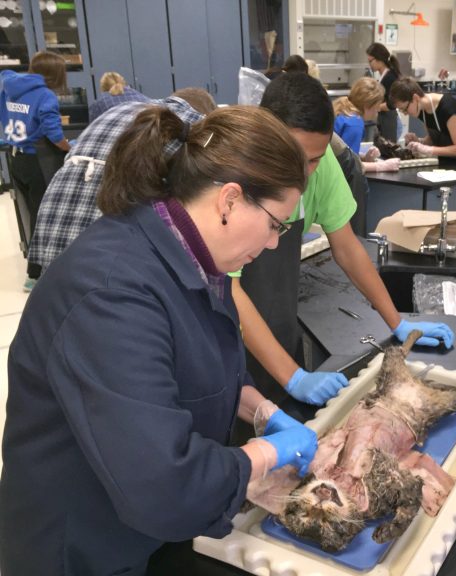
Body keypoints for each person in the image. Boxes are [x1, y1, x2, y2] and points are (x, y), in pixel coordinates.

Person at [0, 104, 318, 575]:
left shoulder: (195, 262)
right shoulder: (110, 292)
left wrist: (261, 411)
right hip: (81, 549)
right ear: (230, 200)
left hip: (142, 533)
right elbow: (162, 483)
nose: (274, 242)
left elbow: (200, 369)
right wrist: (265, 455)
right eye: (276, 223)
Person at [237, 72, 454, 411]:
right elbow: (228, 290)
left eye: (316, 158)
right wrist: (293, 375)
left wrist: (397, 323)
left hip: (279, 321)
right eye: (298, 157)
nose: (306, 172)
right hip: (227, 331)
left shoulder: (321, 169)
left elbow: (347, 247)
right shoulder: (235, 179)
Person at [28, 87, 216, 274]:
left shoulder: (121, 111)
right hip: (106, 262)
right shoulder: (196, 126)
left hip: (52, 239)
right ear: (207, 113)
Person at [0, 51, 71, 292]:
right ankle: (36, 274)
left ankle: (34, 262)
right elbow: (53, 133)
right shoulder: (45, 95)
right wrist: (69, 148)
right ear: (54, 74)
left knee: (29, 213)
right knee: (46, 215)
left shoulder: (10, 87)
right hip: (37, 160)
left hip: (16, 159)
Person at [390, 76, 456, 160]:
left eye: (405, 109)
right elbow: (432, 140)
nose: (405, 114)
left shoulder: (447, 108)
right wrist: (419, 142)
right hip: (446, 160)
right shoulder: (422, 110)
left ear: (415, 98)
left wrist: (429, 150)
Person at [333, 77, 399, 174]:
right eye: (377, 105)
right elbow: (348, 164)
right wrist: (382, 166)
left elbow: (342, 152)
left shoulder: (344, 111)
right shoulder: (354, 124)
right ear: (368, 105)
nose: (379, 109)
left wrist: (364, 157)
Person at [366, 42, 402, 140]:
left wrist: (374, 107)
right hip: (384, 119)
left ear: (379, 59)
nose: (369, 64)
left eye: (370, 61)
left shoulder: (390, 77)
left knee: (388, 151)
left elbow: (392, 104)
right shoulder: (383, 75)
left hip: (389, 121)